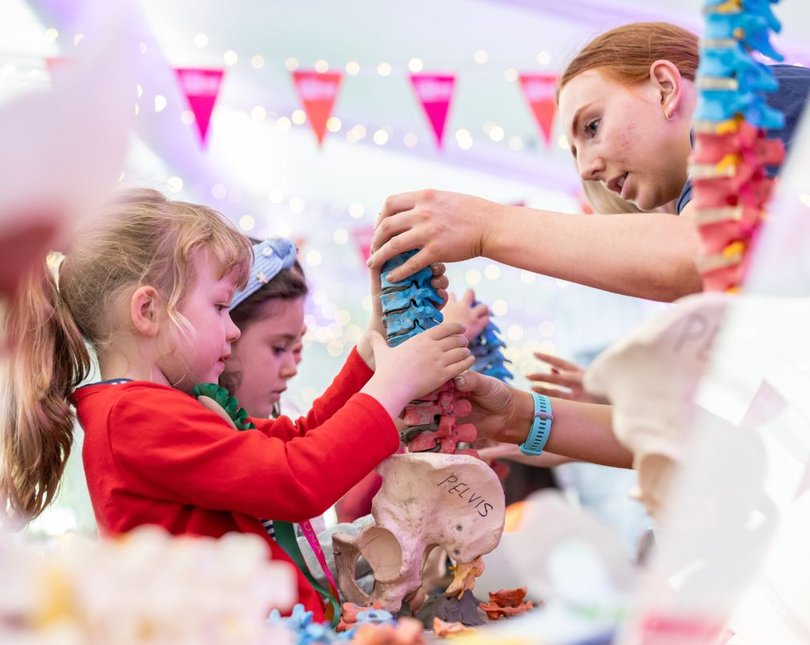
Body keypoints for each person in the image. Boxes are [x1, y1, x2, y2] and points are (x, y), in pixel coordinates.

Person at [0, 188, 475, 621]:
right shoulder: (134, 418)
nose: (232, 329)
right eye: (221, 307)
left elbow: (298, 438)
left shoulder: (163, 407)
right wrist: (392, 387)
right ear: (147, 312)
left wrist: (375, 347)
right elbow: (297, 480)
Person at [369, 22, 810, 302]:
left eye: (592, 126)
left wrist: (489, 226)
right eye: (576, 150)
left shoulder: (747, 100)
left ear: (665, 86)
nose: (585, 170)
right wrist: (528, 418)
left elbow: (697, 257)